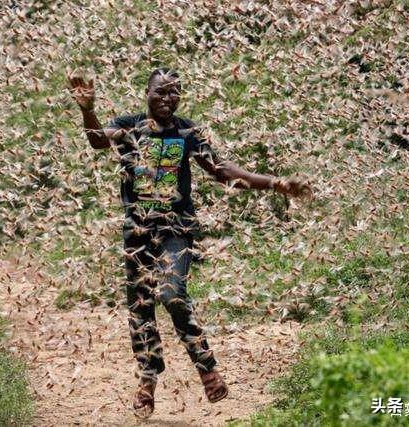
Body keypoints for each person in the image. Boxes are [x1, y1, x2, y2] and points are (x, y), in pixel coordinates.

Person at [69, 68, 311, 418]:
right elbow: (97, 140)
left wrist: (276, 184)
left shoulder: (187, 132)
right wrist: (87, 109)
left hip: (175, 230)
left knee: (171, 294)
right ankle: (147, 382)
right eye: (160, 92)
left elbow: (223, 172)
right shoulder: (129, 126)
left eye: (174, 93)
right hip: (137, 231)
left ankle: (206, 367)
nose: (167, 99)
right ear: (146, 93)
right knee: (140, 307)